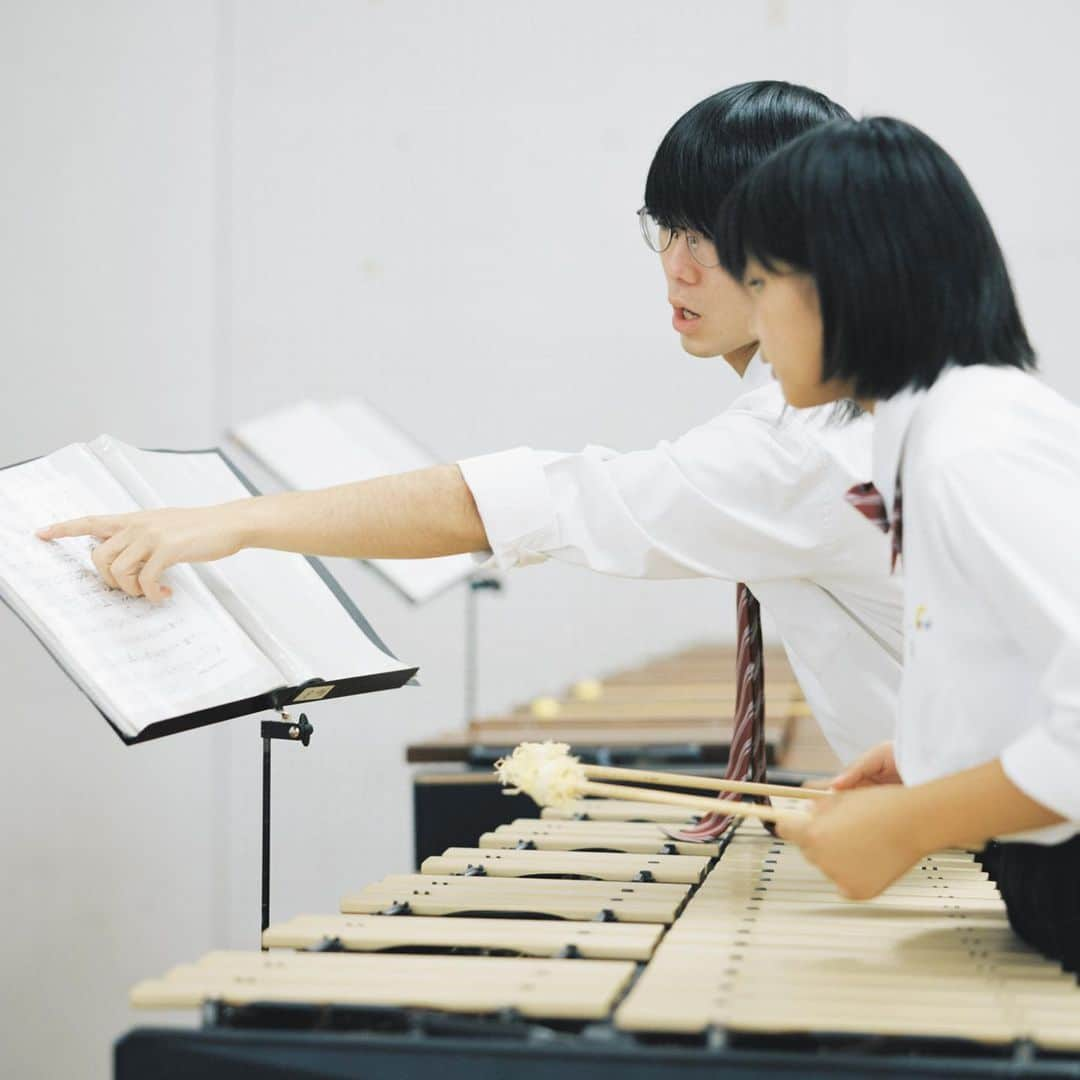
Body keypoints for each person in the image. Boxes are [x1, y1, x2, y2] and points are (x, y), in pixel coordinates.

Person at [38, 82, 903, 767]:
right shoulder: (824, 412)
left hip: (985, 833)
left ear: (801, 242)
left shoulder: (799, 447)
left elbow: (517, 503)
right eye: (666, 229)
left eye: (706, 236)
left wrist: (237, 521)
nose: (675, 266)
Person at [716, 114, 1080, 969]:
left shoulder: (973, 449)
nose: (755, 324)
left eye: (761, 283)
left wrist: (912, 825)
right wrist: (937, 759)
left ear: (846, 282)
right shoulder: (945, 431)